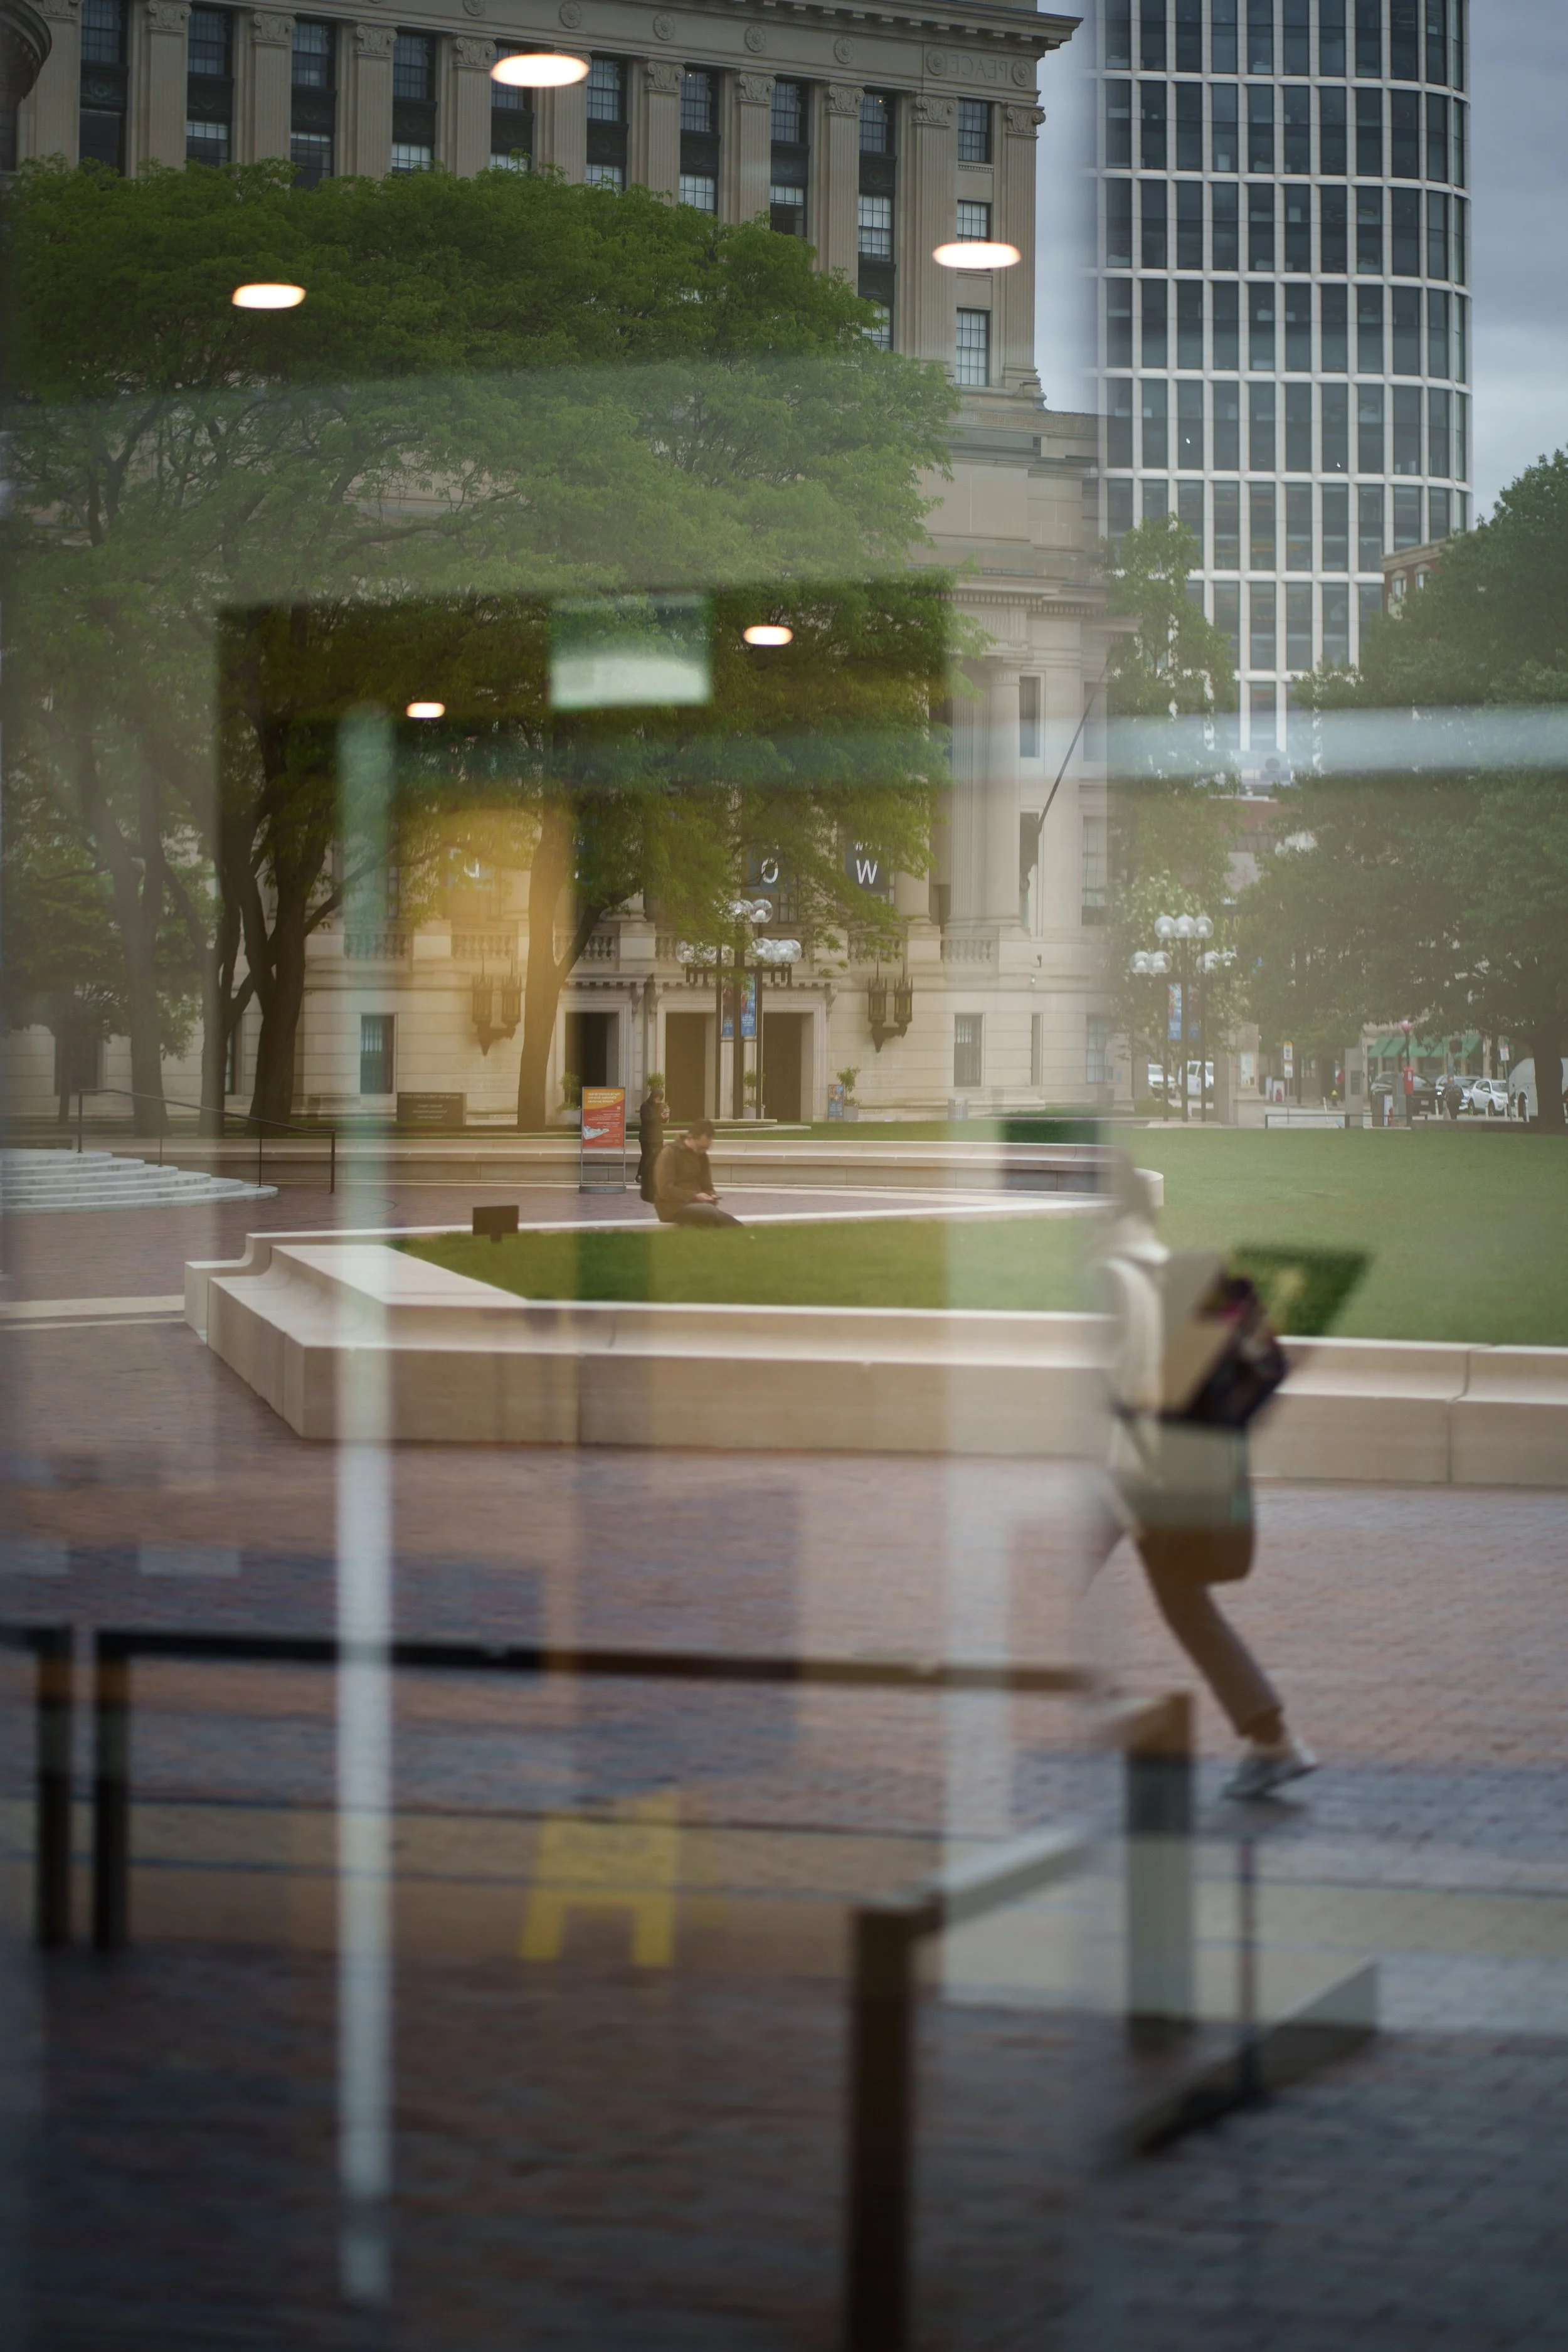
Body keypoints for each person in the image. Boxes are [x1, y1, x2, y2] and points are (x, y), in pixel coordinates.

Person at [1093, 1165, 1316, 1801]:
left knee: (1146, 1594)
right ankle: (1271, 1737)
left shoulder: (1120, 1279)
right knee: (1183, 1604)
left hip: (1141, 1473)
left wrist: (1121, 1489)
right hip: (1176, 1472)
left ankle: (1272, 1738)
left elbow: (1134, 1391)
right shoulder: (1191, 1275)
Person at [652, 1119, 740, 1228]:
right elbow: (665, 1190)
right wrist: (694, 1196)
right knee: (711, 1212)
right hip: (672, 1207)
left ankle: (738, 1231)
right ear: (690, 1137)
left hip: (697, 1205)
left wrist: (711, 1195)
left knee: (710, 1212)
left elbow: (707, 1185)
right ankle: (740, 1231)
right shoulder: (670, 1153)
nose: (703, 1151)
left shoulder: (702, 1156)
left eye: (706, 1148)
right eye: (701, 1148)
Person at [637, 1082, 668, 1204]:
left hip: (658, 1136)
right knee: (647, 1156)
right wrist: (659, 1116)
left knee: (659, 1157)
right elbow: (647, 1120)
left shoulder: (661, 1106)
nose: (658, 1101)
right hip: (647, 1137)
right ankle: (641, 1175)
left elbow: (662, 1121)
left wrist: (665, 1117)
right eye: (657, 1098)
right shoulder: (645, 1106)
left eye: (660, 1099)